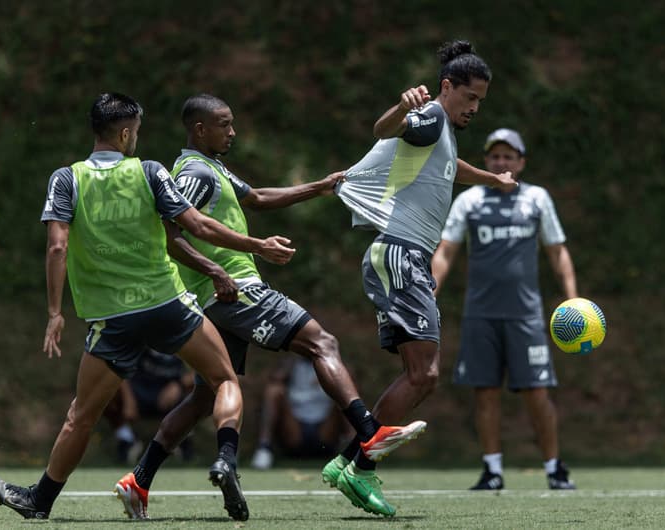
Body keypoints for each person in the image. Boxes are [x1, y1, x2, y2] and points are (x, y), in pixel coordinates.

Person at [114, 93, 427, 520]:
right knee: (322, 342)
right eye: (224, 124)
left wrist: (321, 186)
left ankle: (138, 480)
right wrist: (219, 271)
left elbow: (258, 198)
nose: (233, 131)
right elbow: (170, 234)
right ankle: (369, 433)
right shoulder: (196, 173)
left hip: (217, 299)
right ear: (200, 129)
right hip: (235, 290)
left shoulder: (213, 168)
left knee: (204, 397)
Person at [0, 92, 295, 521]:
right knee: (225, 379)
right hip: (168, 305)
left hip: (112, 317)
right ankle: (225, 458)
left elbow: (57, 247)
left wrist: (55, 312)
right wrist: (256, 245)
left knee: (81, 416)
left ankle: (40, 501)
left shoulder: (66, 178)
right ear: (127, 132)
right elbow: (199, 225)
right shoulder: (149, 172)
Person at [328, 40, 518, 516]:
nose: (474, 108)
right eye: (469, 97)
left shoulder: (444, 133)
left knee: (421, 373)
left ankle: (349, 463)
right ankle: (361, 469)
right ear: (447, 87)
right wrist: (402, 107)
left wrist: (493, 180)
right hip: (400, 254)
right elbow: (383, 129)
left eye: (480, 102)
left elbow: (451, 170)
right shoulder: (431, 117)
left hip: (404, 259)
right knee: (424, 374)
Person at [431, 127, 578, 490]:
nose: (502, 161)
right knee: (485, 392)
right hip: (480, 314)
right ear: (486, 162)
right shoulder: (469, 201)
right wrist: (430, 291)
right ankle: (492, 470)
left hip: (525, 316)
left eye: (509, 156)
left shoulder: (537, 199)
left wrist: (572, 298)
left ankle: (554, 468)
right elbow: (446, 250)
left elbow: (557, 250)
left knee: (537, 393)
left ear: (521, 162)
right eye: (495, 156)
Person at [251, 356, 353, 470]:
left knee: (346, 391)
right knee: (274, 390)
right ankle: (264, 447)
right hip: (295, 427)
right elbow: (275, 379)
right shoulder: (292, 362)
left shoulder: (331, 363)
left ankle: (354, 449)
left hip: (326, 428)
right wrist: (289, 364)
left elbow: (349, 382)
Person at [103, 348, 195, 464]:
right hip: (139, 395)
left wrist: (179, 384)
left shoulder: (188, 334)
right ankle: (126, 439)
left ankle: (182, 438)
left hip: (171, 399)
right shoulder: (139, 333)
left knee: (202, 388)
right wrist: (129, 400)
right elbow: (118, 365)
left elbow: (210, 367)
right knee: (106, 389)